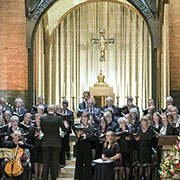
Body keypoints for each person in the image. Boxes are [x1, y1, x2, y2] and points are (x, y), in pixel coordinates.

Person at [40, 104, 68, 180]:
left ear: (47, 110)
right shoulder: (58, 119)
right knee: (55, 162)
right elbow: (64, 129)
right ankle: (53, 178)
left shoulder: (43, 119)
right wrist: (66, 126)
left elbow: (42, 130)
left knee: (46, 162)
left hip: (46, 142)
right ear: (55, 110)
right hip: (56, 142)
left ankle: (45, 177)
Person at [74, 113, 94, 180]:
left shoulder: (91, 127)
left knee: (87, 163)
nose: (83, 119)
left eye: (84, 118)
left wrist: (86, 136)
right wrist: (78, 135)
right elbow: (77, 137)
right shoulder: (79, 126)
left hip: (87, 146)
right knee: (79, 163)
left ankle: (87, 177)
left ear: (88, 119)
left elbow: (92, 137)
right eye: (82, 118)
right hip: (80, 146)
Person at [28, 114, 44, 180]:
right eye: (37, 119)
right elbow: (29, 139)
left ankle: (40, 177)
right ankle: (36, 177)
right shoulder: (32, 128)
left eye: (40, 119)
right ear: (35, 119)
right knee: (35, 162)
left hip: (42, 146)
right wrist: (35, 136)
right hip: (35, 147)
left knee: (41, 162)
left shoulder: (44, 127)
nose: (38, 120)